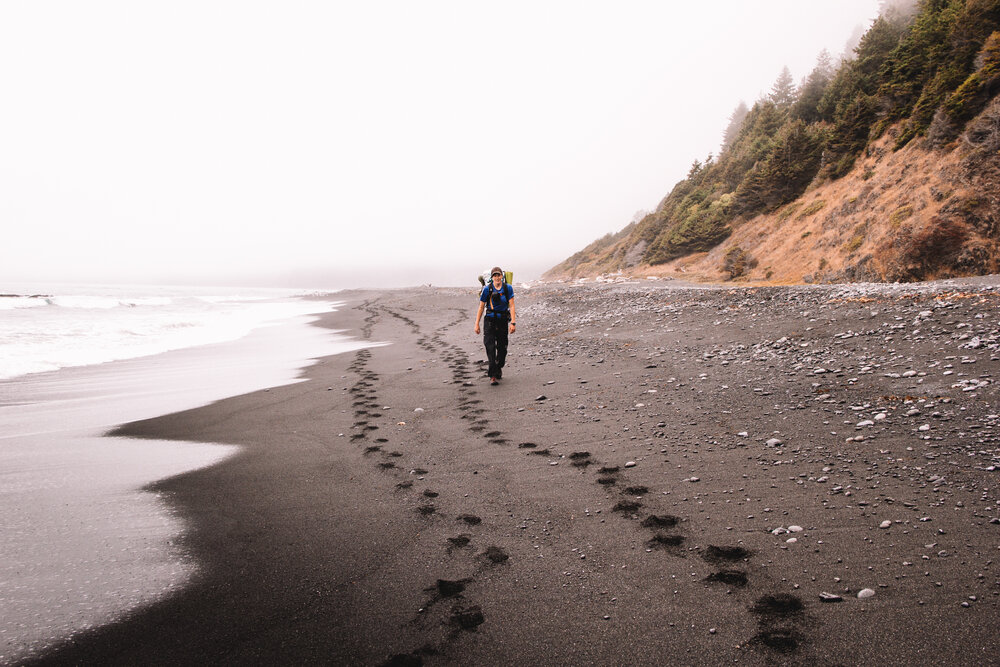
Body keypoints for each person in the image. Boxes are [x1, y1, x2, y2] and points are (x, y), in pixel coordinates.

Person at [473, 267, 516, 386]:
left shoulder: (508, 288)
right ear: (492, 278)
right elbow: (481, 307)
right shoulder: (487, 289)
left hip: (502, 321)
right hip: (490, 321)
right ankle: (492, 375)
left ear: (502, 276)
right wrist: (476, 324)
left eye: (499, 275)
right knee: (490, 347)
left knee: (502, 349)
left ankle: (499, 366)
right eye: (495, 276)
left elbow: (511, 305)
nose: (497, 278)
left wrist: (513, 322)